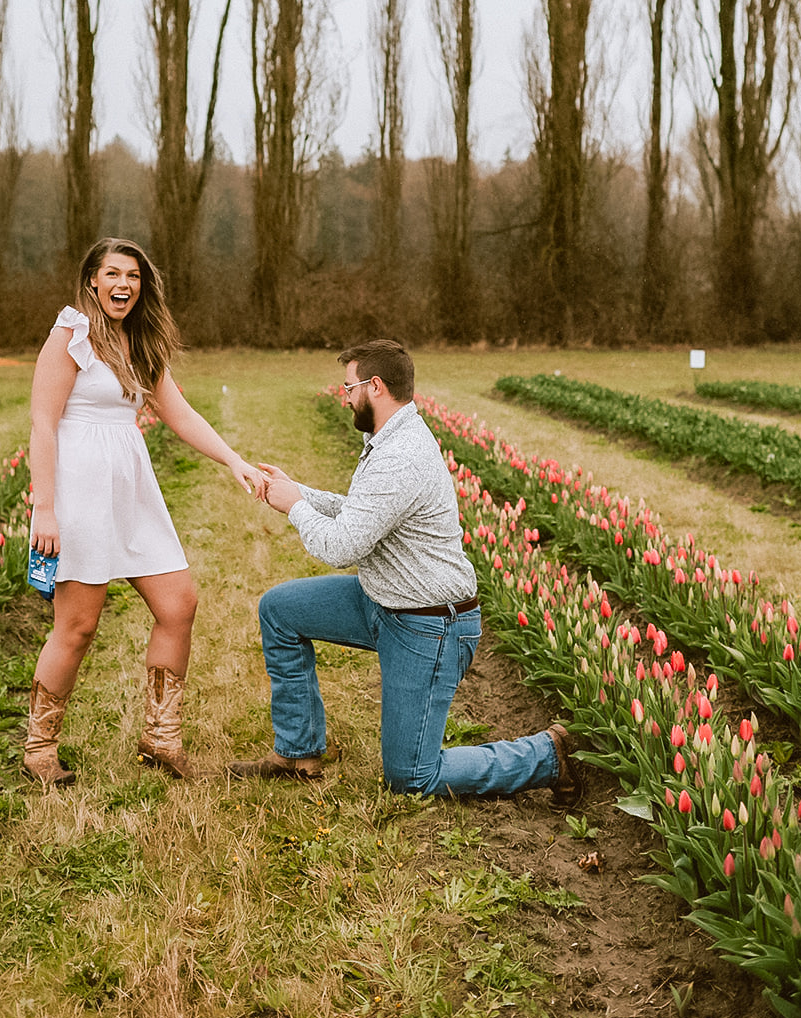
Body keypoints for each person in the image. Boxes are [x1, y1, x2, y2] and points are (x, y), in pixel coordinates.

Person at [231, 338, 582, 803]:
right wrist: (300, 492)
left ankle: (547, 756)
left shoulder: (401, 456)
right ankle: (298, 754)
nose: (345, 395)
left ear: (375, 386)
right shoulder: (389, 439)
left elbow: (342, 545)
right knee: (280, 610)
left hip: (430, 625)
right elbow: (361, 514)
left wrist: (296, 508)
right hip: (384, 601)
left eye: (349, 385)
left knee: (412, 775)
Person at [24, 236, 266, 786]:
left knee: (178, 603)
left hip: (132, 490)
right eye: (112, 274)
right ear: (92, 280)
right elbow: (43, 421)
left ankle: (161, 737)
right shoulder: (71, 334)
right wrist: (45, 508)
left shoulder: (141, 341)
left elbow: (179, 413)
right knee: (79, 626)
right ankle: (39, 747)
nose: (123, 285)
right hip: (78, 490)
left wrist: (235, 462)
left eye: (132, 276)